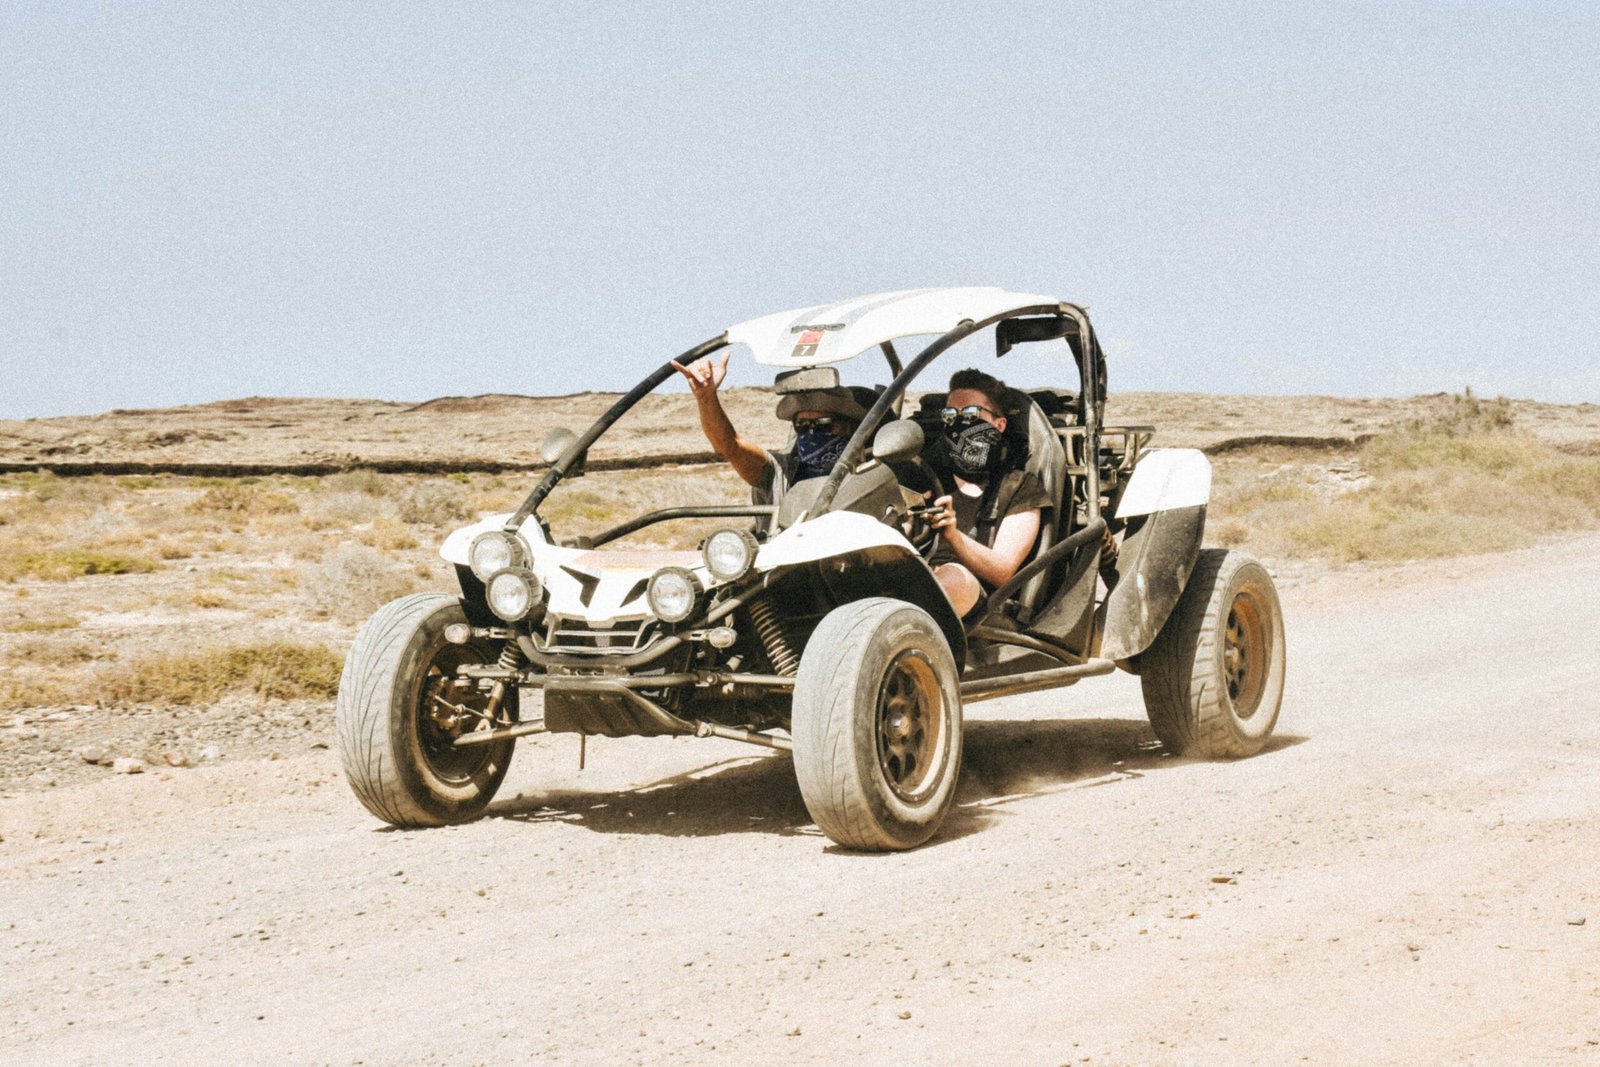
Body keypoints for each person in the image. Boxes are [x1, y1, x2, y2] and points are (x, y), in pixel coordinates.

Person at [923, 368, 1047, 617]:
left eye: (971, 413)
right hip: (916, 578)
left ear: (999, 424)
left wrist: (953, 535)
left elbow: (1002, 571)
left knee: (951, 580)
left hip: (977, 601)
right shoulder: (924, 473)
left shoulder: (1019, 486)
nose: (958, 423)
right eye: (951, 414)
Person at [672, 351, 871, 500]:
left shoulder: (871, 475)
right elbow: (730, 447)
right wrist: (707, 397)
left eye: (823, 425)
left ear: (850, 428)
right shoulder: (780, 473)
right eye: (802, 425)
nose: (811, 433)